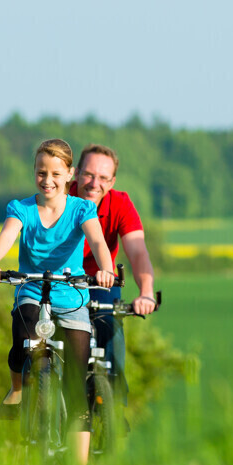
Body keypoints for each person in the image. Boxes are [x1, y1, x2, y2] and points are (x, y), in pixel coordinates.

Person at [0, 138, 116, 465]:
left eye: (56, 173)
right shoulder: (21, 209)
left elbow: (97, 240)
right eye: (41, 172)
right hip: (32, 291)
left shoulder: (81, 209)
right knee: (22, 340)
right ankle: (19, 389)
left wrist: (105, 267)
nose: (47, 180)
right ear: (34, 174)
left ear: (69, 175)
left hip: (72, 298)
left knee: (77, 384)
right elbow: (8, 235)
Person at [69, 144, 158, 405]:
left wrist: (146, 293)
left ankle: (113, 404)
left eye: (103, 178)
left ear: (113, 182)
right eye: (88, 175)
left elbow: (138, 253)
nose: (94, 183)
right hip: (62, 280)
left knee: (111, 332)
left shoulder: (119, 204)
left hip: (101, 280)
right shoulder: (59, 197)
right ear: (75, 174)